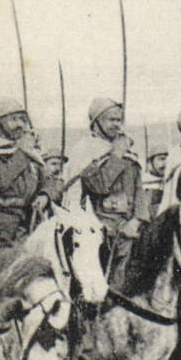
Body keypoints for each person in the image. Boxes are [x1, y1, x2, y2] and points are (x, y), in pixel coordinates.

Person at [64, 97, 146, 263]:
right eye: (111, 120)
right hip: (98, 229)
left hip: (129, 228)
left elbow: (138, 189)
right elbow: (98, 185)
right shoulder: (86, 149)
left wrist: (137, 220)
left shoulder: (126, 151)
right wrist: (116, 155)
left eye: (119, 120)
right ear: (96, 122)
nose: (117, 125)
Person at [0, 97, 49, 249]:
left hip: (29, 221)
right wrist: (23, 152)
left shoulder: (29, 153)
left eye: (22, 120)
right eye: (13, 119)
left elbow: (51, 180)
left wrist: (45, 195)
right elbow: (0, 181)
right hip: (0, 224)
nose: (19, 124)